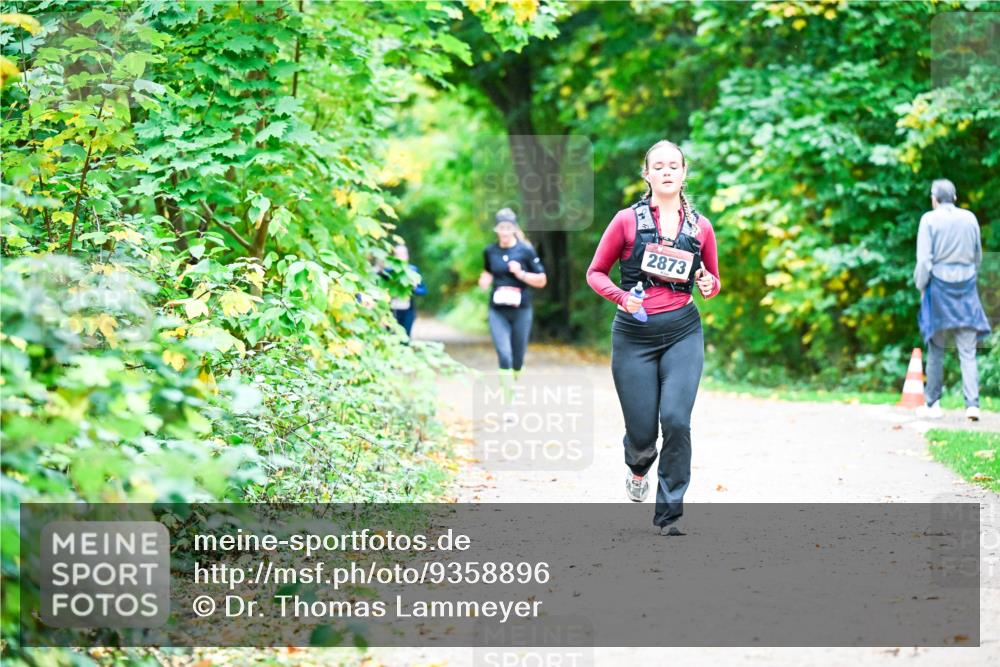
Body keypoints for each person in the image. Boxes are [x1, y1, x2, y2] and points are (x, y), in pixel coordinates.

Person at [586, 140, 721, 536]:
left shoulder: (701, 227)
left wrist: (708, 282)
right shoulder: (626, 221)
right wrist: (623, 297)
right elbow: (596, 272)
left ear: (683, 174)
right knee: (643, 434)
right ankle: (638, 466)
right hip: (634, 336)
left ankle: (669, 514)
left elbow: (712, 283)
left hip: (683, 331)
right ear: (647, 174)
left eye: (673, 166)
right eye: (658, 166)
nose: (666, 171)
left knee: (677, 421)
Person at [914, 178, 990, 421]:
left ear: (934, 199)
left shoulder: (929, 219)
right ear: (955, 198)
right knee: (968, 350)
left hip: (938, 289)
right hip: (966, 288)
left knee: (936, 347)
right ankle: (972, 405)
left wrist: (921, 286)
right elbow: (978, 255)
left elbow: (924, 261)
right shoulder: (970, 219)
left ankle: (933, 404)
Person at [478, 208, 547, 382]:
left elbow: (542, 280)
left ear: (515, 229)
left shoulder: (526, 251)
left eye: (509, 227)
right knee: (504, 355)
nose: (505, 232)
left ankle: (515, 381)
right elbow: (487, 271)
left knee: (517, 360)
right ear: (496, 229)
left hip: (521, 311)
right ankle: (508, 398)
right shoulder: (490, 251)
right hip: (497, 311)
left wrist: (521, 274)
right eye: (502, 227)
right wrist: (484, 281)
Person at [386, 242, 426, 338]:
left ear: (407, 256)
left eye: (404, 254)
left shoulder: (413, 270)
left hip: (408, 310)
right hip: (391, 309)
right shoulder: (388, 272)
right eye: (399, 254)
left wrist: (414, 288)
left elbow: (423, 290)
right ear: (394, 256)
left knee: (405, 336)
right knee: (391, 336)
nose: (402, 256)